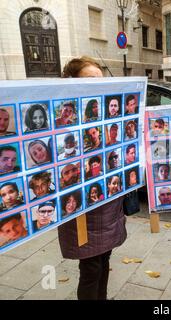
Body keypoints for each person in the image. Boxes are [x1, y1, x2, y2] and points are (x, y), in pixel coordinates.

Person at [58, 56, 127, 300]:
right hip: (82, 209)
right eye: (90, 80)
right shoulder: (64, 125)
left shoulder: (110, 117)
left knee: (104, 259)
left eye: (101, 80)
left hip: (108, 202)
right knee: (91, 268)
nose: (98, 85)